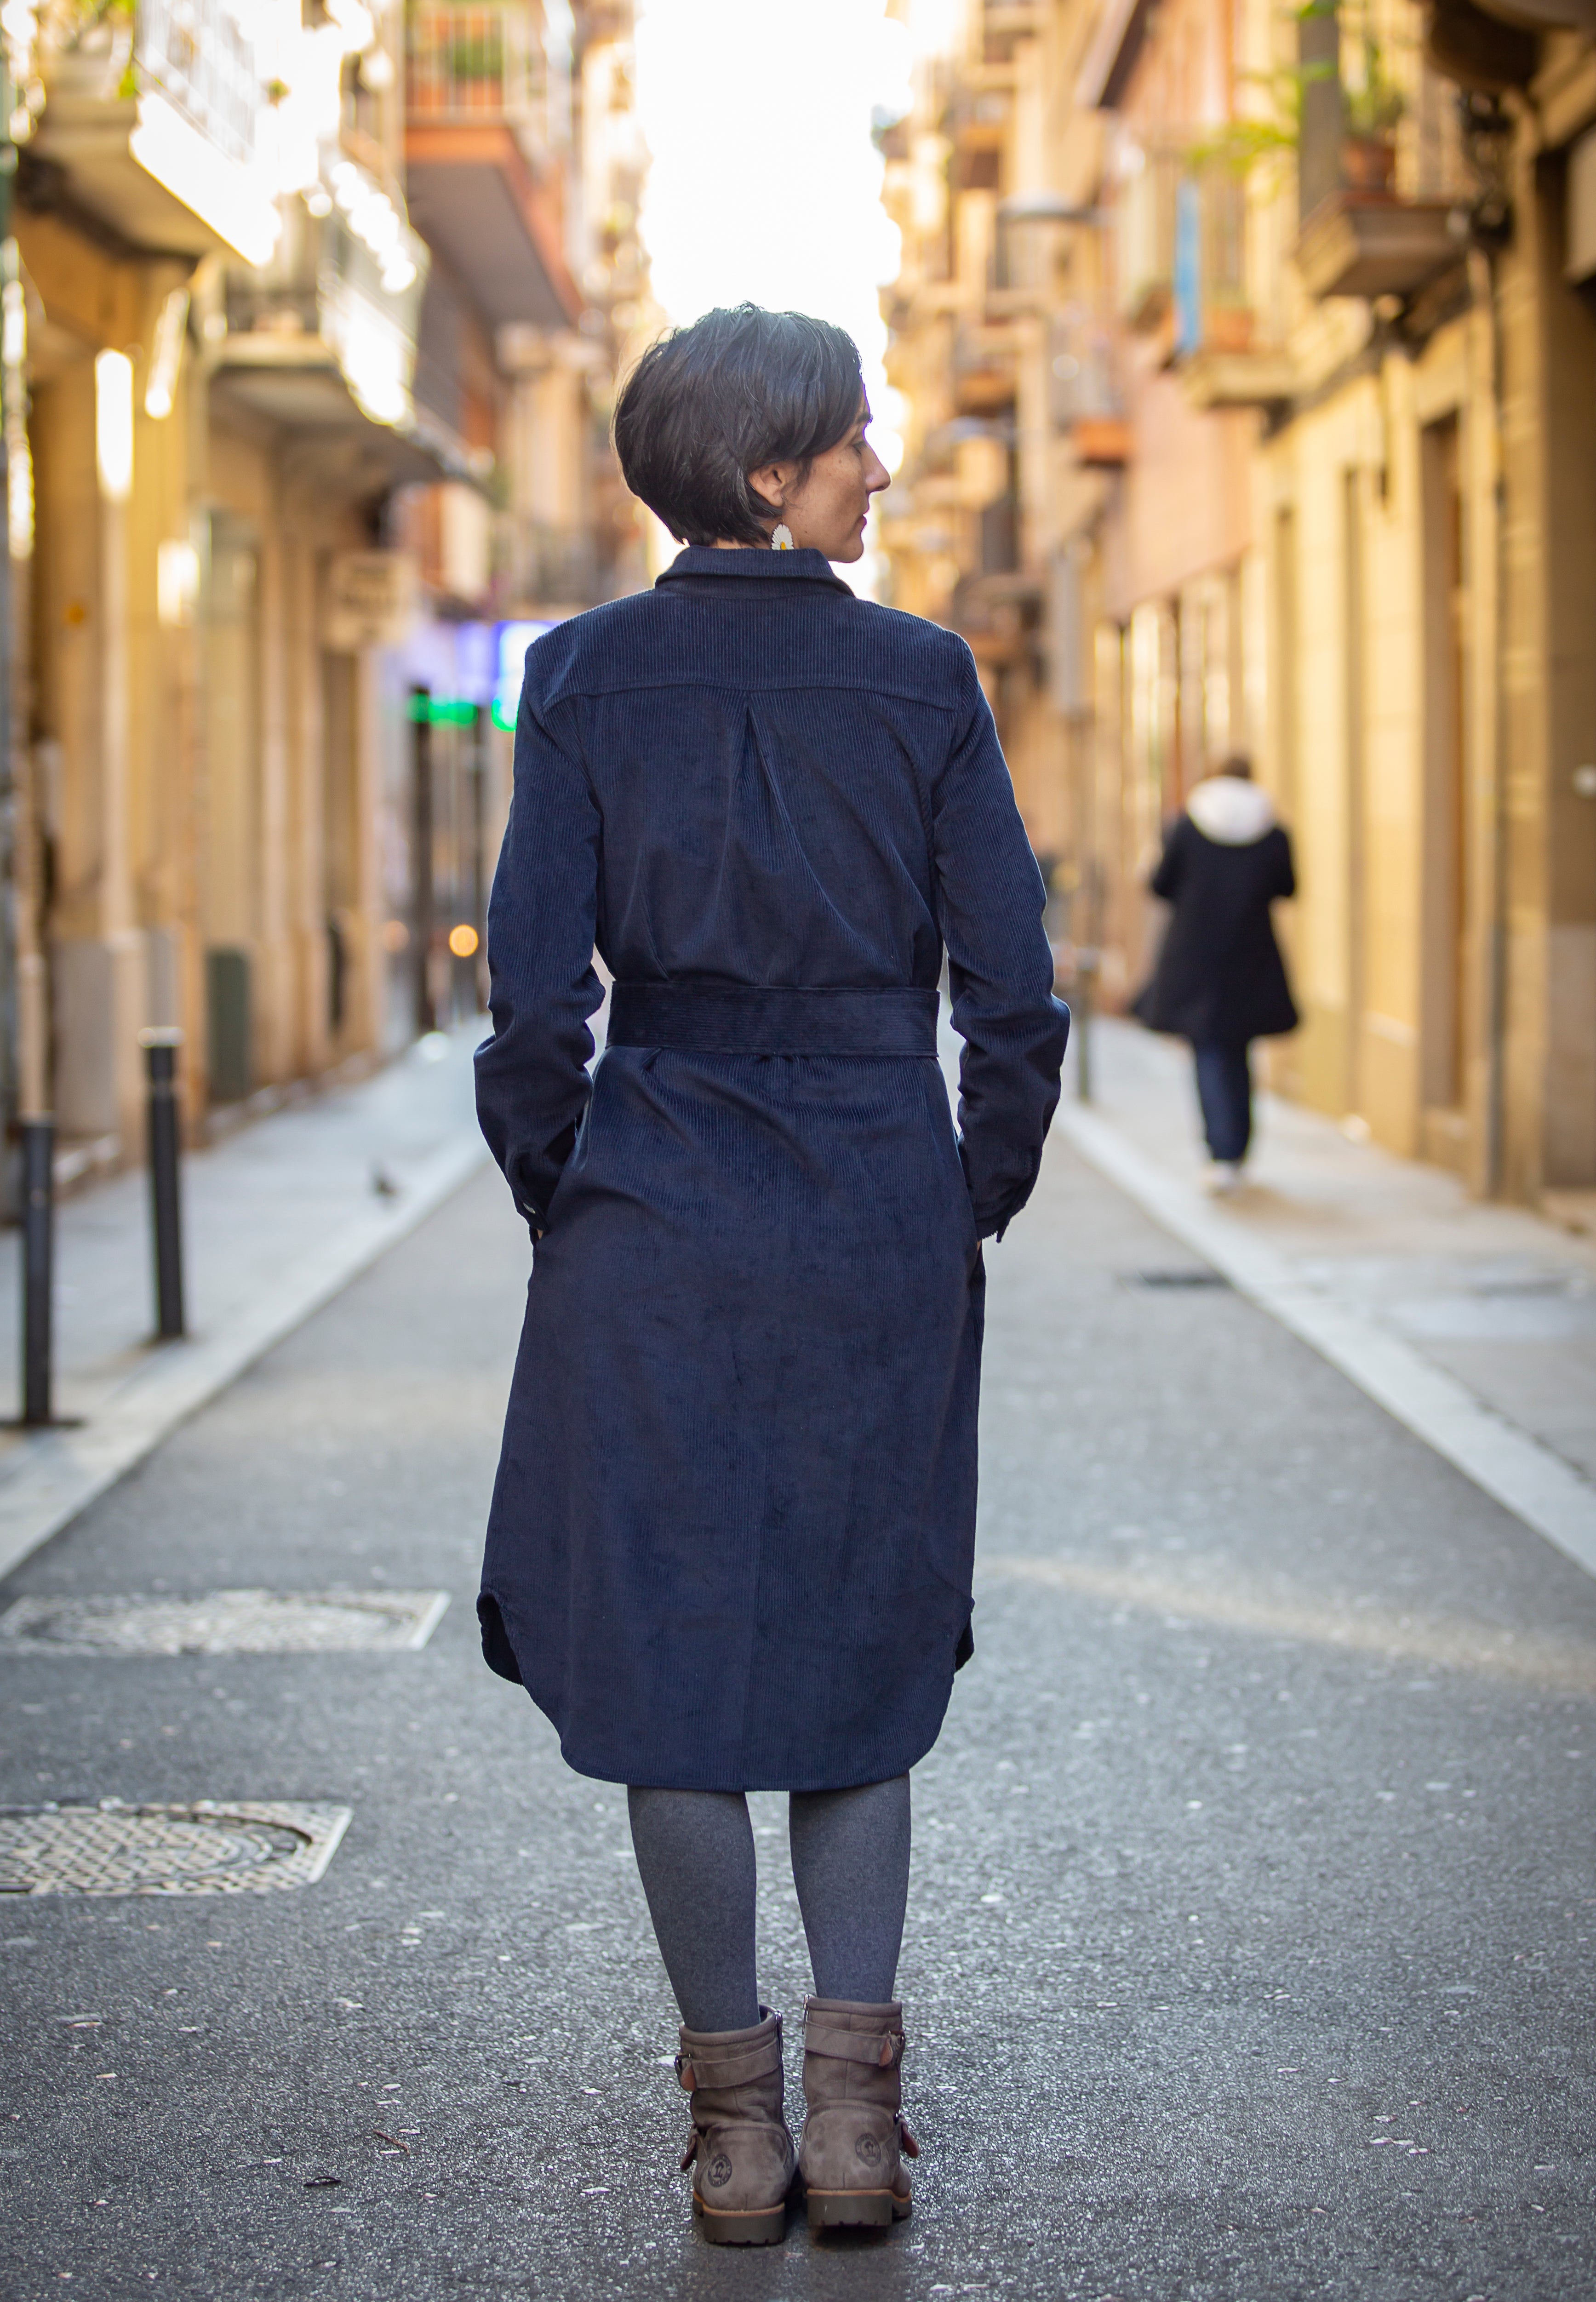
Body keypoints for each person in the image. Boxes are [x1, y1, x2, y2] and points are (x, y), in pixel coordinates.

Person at [473, 305, 1068, 2245]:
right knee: (856, 1653)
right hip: (871, 1201)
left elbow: (531, 999)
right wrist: (959, 1186)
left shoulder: (574, 678)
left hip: (649, 1199)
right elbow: (1013, 990)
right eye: (851, 443)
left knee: (669, 1666)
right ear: (767, 473)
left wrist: (576, 1183)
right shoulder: (919, 680)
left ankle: (732, 2132)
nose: (879, 469)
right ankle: (853, 2124)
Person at [1136, 754, 1297, 1193]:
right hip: (1250, 952)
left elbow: (1160, 885)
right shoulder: (1272, 828)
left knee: (1207, 1049)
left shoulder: (1187, 826)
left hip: (1195, 952)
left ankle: (1219, 1152)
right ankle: (1238, 1149)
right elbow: (1287, 885)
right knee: (1239, 1051)